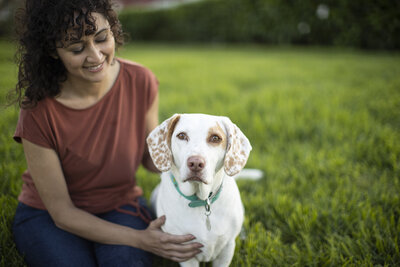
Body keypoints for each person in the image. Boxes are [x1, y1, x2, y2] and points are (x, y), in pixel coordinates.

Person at [10, 0, 203, 266]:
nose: (95, 56)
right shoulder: (38, 110)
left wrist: (196, 166)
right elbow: (62, 214)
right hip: (48, 217)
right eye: (77, 48)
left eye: (102, 39)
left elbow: (151, 159)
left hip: (119, 206)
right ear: (53, 52)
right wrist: (140, 239)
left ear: (113, 30)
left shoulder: (140, 80)